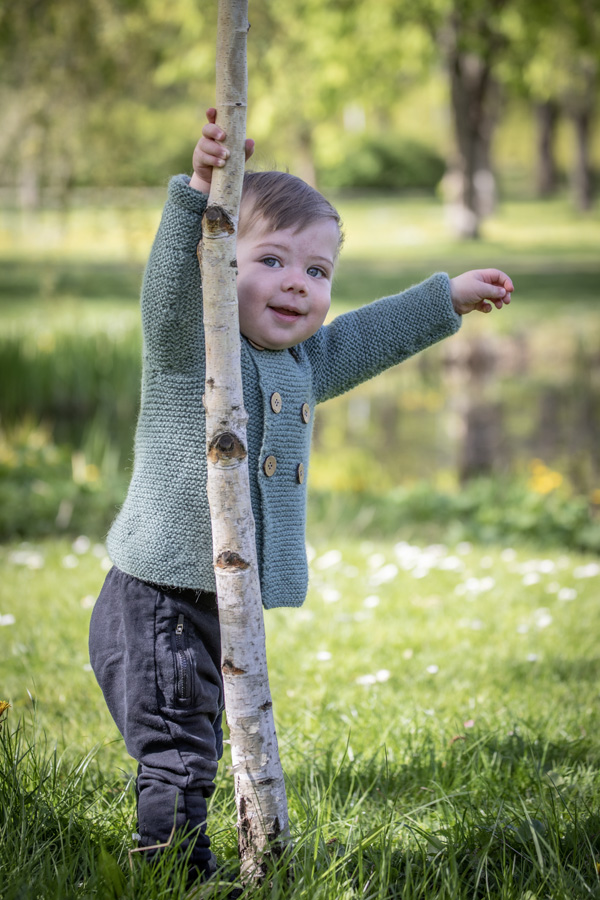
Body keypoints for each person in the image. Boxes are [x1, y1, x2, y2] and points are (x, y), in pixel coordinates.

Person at [89, 108, 513, 887]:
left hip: (223, 595)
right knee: (182, 751)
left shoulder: (301, 363)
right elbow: (169, 295)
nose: (298, 284)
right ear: (221, 262)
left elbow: (362, 337)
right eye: (273, 260)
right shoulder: (198, 345)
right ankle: (172, 874)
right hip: (160, 600)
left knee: (207, 740)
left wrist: (444, 298)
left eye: (317, 273)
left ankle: (198, 860)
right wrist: (198, 194)